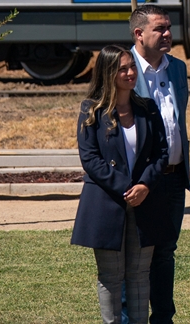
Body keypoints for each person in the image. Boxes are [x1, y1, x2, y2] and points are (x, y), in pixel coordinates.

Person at [72, 45, 170, 324]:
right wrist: (126, 187)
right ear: (107, 73)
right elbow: (90, 158)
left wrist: (145, 185)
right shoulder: (91, 110)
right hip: (107, 203)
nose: (130, 73)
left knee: (140, 275)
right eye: (122, 69)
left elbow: (161, 153)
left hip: (145, 201)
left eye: (132, 67)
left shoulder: (147, 108)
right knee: (111, 276)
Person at [128, 5, 189, 324]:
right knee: (134, 255)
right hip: (138, 182)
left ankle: (163, 319)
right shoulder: (121, 68)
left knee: (165, 252)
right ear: (139, 34)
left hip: (173, 178)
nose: (167, 34)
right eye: (160, 29)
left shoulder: (177, 68)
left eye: (169, 28)